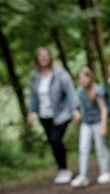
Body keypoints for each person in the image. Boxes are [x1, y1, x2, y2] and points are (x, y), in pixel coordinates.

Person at [27, 47, 80, 184]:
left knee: (56, 139)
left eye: (46, 55)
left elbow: (70, 90)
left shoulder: (60, 73)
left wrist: (75, 109)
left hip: (61, 113)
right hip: (44, 114)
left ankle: (64, 169)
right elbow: (33, 95)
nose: (43, 58)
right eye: (40, 56)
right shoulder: (35, 76)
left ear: (50, 57)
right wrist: (31, 112)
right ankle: (62, 169)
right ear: (37, 59)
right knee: (52, 141)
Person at [70, 67, 110, 188]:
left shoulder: (98, 90)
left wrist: (104, 126)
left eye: (85, 77)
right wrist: (77, 115)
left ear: (90, 77)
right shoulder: (81, 92)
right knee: (83, 148)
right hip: (86, 123)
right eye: (80, 78)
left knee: (101, 148)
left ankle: (105, 172)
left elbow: (103, 109)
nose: (83, 80)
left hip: (98, 122)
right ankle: (83, 175)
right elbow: (81, 108)